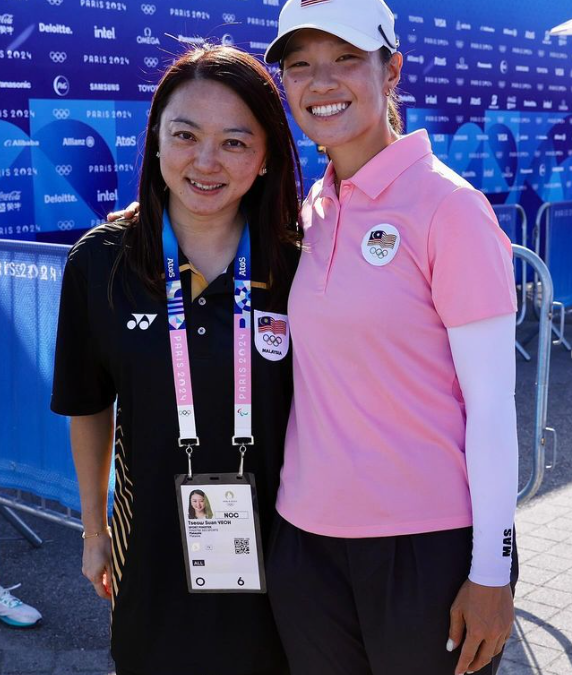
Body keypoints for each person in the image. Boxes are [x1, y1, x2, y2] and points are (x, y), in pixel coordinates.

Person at [261, 2, 519, 675]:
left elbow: (493, 407)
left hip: (424, 552)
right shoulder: (306, 209)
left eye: (345, 58)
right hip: (305, 546)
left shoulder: (450, 208)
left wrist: (494, 570)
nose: (322, 82)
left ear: (392, 69)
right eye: (300, 65)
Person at [51, 44, 302, 675]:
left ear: (267, 154)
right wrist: (93, 531)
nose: (206, 162)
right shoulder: (101, 263)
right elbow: (88, 407)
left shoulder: (303, 263)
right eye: (185, 135)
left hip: (289, 547)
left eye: (236, 142)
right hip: (153, 549)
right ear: (157, 139)